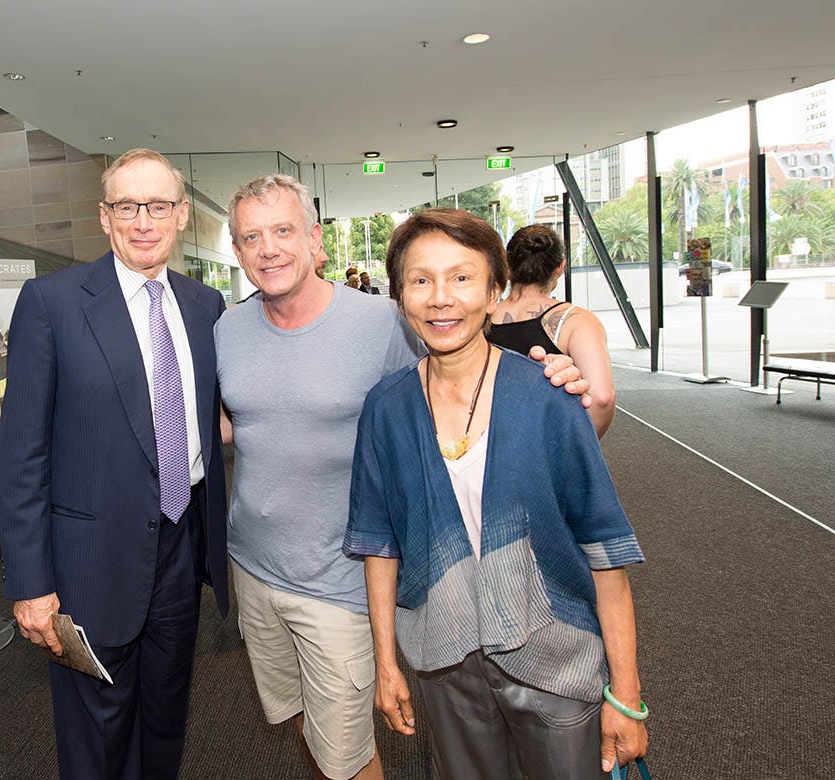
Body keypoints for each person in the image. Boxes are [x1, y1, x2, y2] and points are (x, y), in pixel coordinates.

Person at [215, 176, 589, 780]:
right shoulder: (228, 329)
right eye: (251, 237)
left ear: (315, 239)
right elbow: (237, 423)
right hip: (253, 568)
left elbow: (464, 373)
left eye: (283, 231)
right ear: (236, 251)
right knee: (303, 724)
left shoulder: (382, 321)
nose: (269, 248)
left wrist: (551, 376)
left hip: (343, 577)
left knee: (347, 755)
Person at [344, 208, 648, 779]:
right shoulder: (385, 410)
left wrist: (625, 695)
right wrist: (386, 661)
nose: (441, 299)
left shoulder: (550, 398)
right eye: (420, 280)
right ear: (400, 295)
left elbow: (605, 554)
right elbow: (378, 543)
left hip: (554, 654)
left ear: (494, 288)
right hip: (444, 660)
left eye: (461, 277)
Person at [0, 149, 228, 780]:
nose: (143, 221)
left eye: (157, 206)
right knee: (96, 732)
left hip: (182, 546)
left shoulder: (206, 306)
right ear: (105, 217)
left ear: (181, 215)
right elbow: (22, 454)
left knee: (165, 716)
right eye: (128, 206)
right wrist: (30, 583)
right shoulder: (52, 302)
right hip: (86, 563)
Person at [488, 224, 615, 436]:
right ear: (560, 267)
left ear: (507, 266)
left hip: (487, 444)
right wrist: (573, 452)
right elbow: (601, 399)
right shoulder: (577, 321)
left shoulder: (479, 317)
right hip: (544, 441)